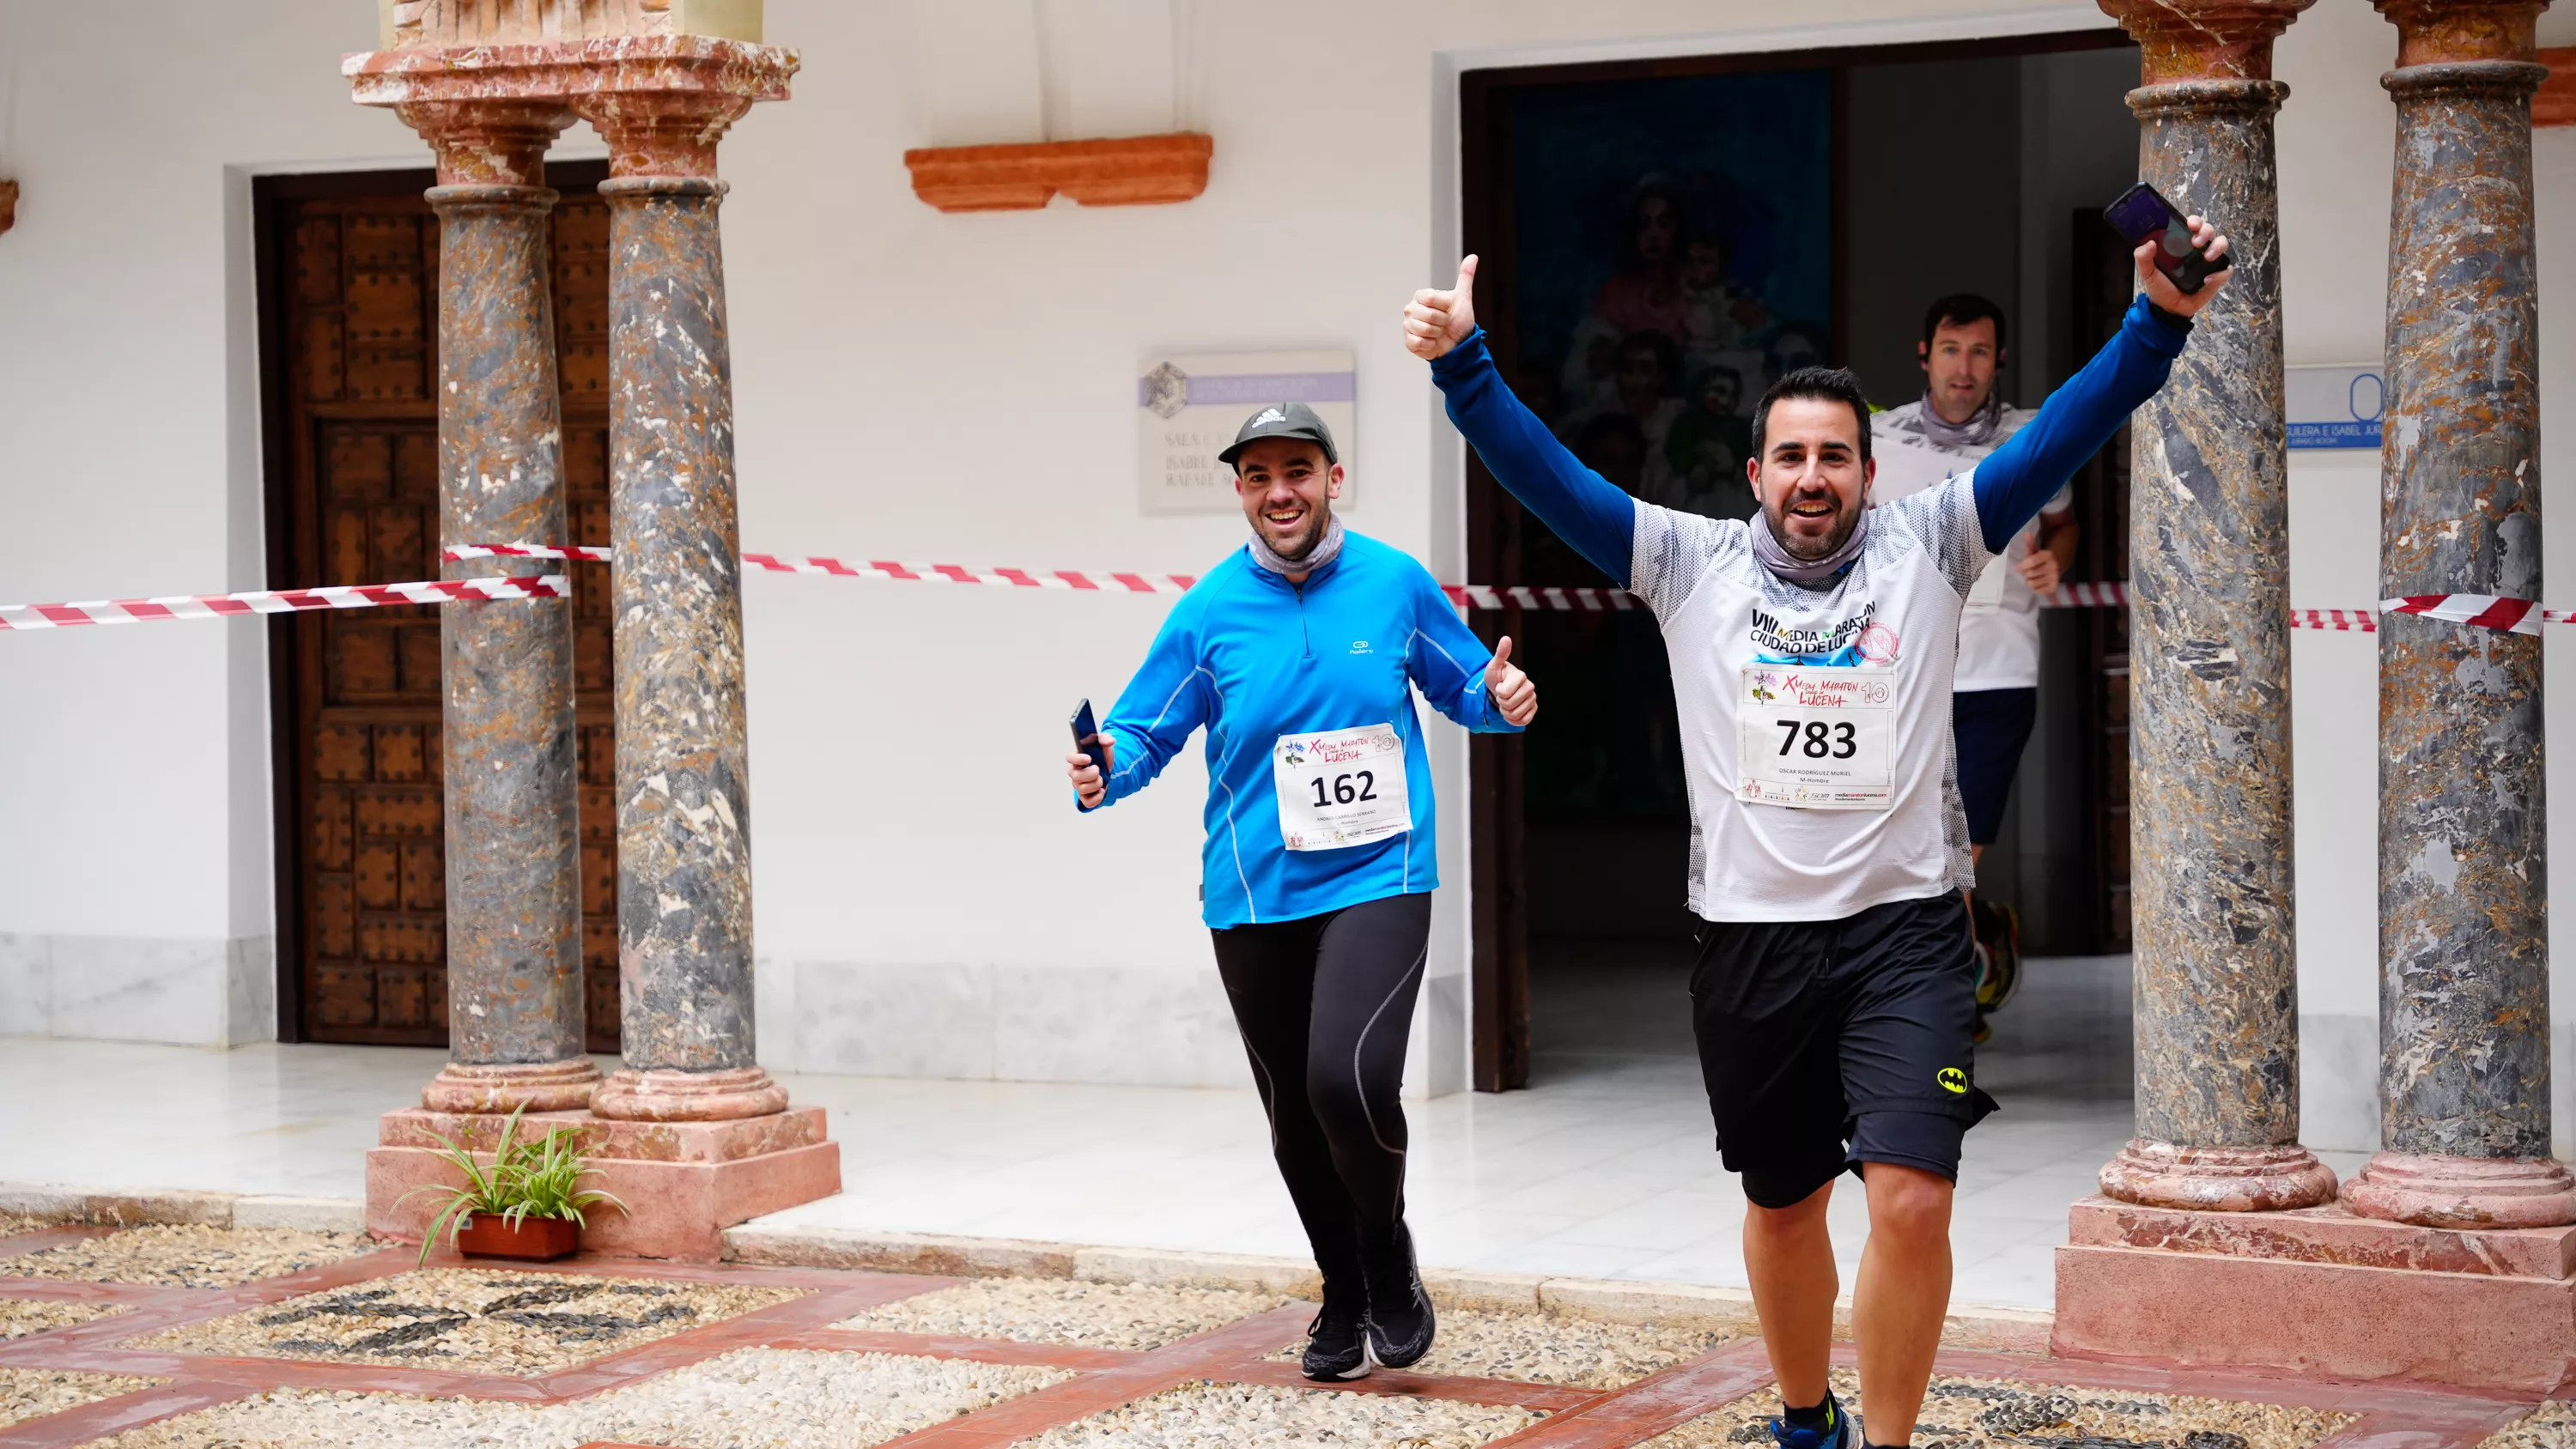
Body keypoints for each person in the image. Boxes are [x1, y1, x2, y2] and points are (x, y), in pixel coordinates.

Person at [1403, 221, 2230, 1449]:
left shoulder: (1937, 537)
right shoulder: (1688, 563)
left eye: (1835, 457)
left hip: (1904, 935)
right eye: (1789, 456)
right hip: (1751, 945)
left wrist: (2153, 323)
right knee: (1783, 1206)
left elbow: (2064, 426)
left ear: (1867, 472)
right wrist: (1468, 368)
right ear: (1753, 476)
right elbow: (1551, 481)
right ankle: (1807, 1419)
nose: (1812, 478)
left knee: (1910, 1200)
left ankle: (1886, 1445)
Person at [1064, 402, 1538, 1381]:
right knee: (1292, 1114)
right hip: (1252, 891)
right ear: (1240, 490)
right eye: (1258, 476)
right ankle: (1341, 1284)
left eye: (1298, 470)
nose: (1279, 492)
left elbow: (1462, 687)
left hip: (1381, 871)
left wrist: (1500, 699)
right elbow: (1145, 728)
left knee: (1345, 1079)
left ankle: (1387, 1249)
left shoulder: (1395, 582)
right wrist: (1105, 762)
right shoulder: (1207, 610)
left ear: (1334, 477)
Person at [1869, 294, 2076, 1034]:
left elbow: (2062, 522)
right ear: (1924, 355)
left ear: (2001, 361)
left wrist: (2058, 560)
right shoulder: (1875, 439)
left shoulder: (2031, 436)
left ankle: (1938, 1007)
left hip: (1998, 671)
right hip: (1896, 674)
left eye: (1980, 352)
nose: (1965, 367)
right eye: (1951, 350)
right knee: (1914, 848)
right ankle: (1944, 1000)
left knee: (1954, 851)